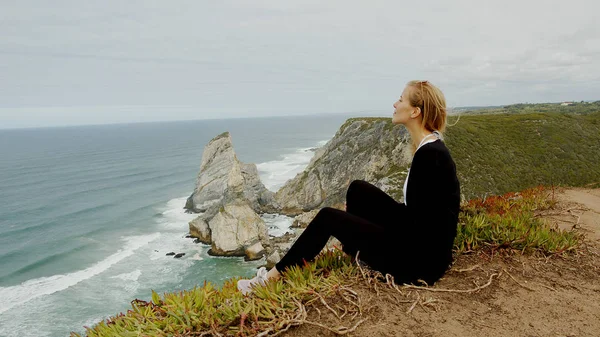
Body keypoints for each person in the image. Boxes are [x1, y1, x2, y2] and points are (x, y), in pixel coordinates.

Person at [238, 80, 460, 295]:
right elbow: (422, 215)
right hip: (424, 249)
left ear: (415, 112)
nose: (395, 104)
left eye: (401, 100)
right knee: (358, 189)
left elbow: (420, 227)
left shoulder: (430, 157)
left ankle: (269, 279)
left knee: (328, 217)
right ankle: (357, 253)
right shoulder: (430, 147)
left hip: (418, 264)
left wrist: (361, 231)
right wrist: (361, 230)